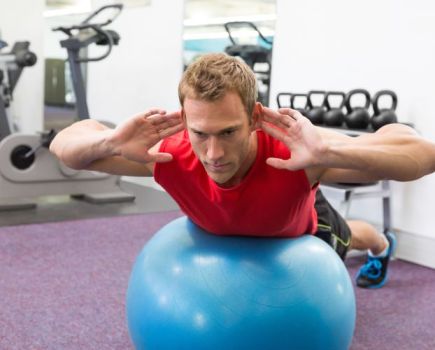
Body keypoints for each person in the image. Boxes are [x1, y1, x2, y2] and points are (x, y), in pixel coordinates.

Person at [50, 53, 435, 289]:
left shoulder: (296, 152)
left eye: (229, 132)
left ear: (253, 118)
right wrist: (112, 141)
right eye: (201, 133)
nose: (214, 153)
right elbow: (66, 145)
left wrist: (327, 149)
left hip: (303, 229)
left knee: (352, 236)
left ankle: (383, 245)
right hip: (238, 227)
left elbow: (421, 153)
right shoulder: (166, 154)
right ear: (184, 119)